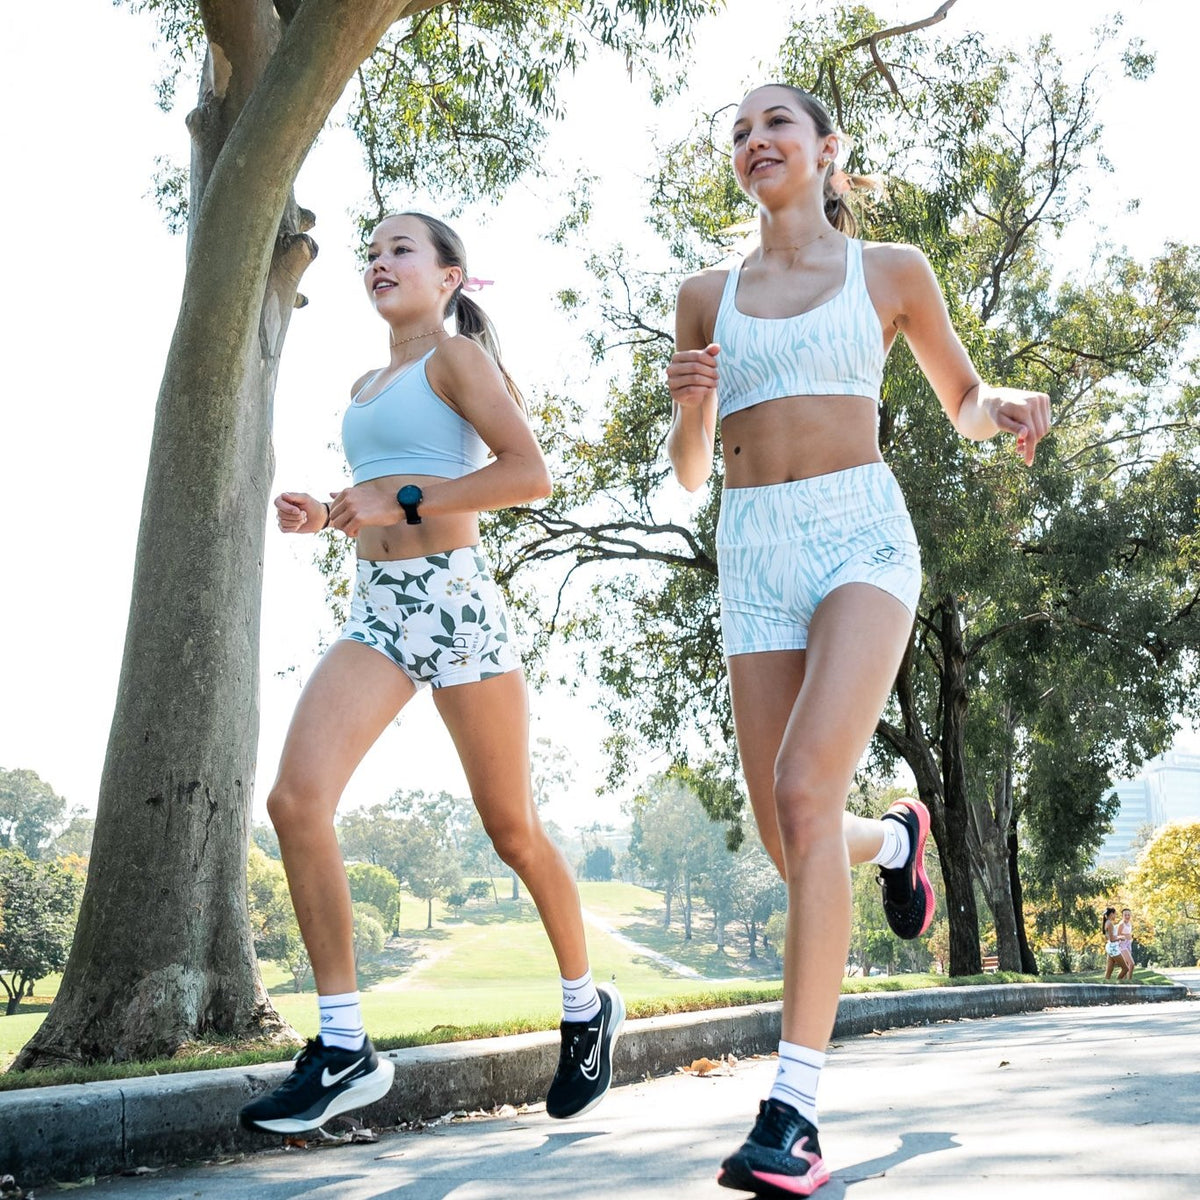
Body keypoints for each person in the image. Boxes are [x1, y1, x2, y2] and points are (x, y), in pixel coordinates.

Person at [666, 84, 1050, 1196]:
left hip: (859, 540)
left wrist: (1005, 404)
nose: (754, 143)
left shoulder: (891, 272)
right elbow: (692, 472)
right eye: (738, 132)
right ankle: (892, 843)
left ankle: (792, 1110)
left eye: (774, 125)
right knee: (795, 845)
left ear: (828, 151)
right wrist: (691, 404)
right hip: (753, 551)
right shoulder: (705, 295)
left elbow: (963, 398)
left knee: (797, 787)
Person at [240, 212, 623, 1136]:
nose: (380, 262)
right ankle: (343, 1048)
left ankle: (584, 1006)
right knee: (296, 802)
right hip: (377, 607)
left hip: (454, 606)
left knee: (512, 830)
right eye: (371, 252)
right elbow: (380, 495)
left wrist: (399, 497)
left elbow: (528, 473)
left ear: (451, 278)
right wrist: (329, 512)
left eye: (400, 249)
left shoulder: (456, 360)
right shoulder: (366, 384)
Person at [1102, 906, 1127, 982]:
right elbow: (1112, 939)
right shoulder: (1109, 923)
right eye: (1115, 914)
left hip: (1110, 947)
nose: (1115, 916)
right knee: (1125, 969)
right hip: (1113, 948)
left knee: (1109, 971)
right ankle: (1117, 984)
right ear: (1111, 914)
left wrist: (1119, 936)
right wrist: (1120, 938)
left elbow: (1110, 937)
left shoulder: (1107, 922)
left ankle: (1105, 986)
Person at [1117, 907, 1135, 982]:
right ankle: (1129, 981)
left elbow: (1129, 933)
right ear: (1122, 915)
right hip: (1122, 945)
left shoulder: (1129, 923)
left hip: (1128, 944)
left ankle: (1122, 982)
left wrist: (1130, 937)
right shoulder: (1121, 924)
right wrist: (1125, 936)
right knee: (1132, 964)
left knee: (1126, 965)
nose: (1127, 916)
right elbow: (1117, 936)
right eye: (1125, 915)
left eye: (1128, 915)